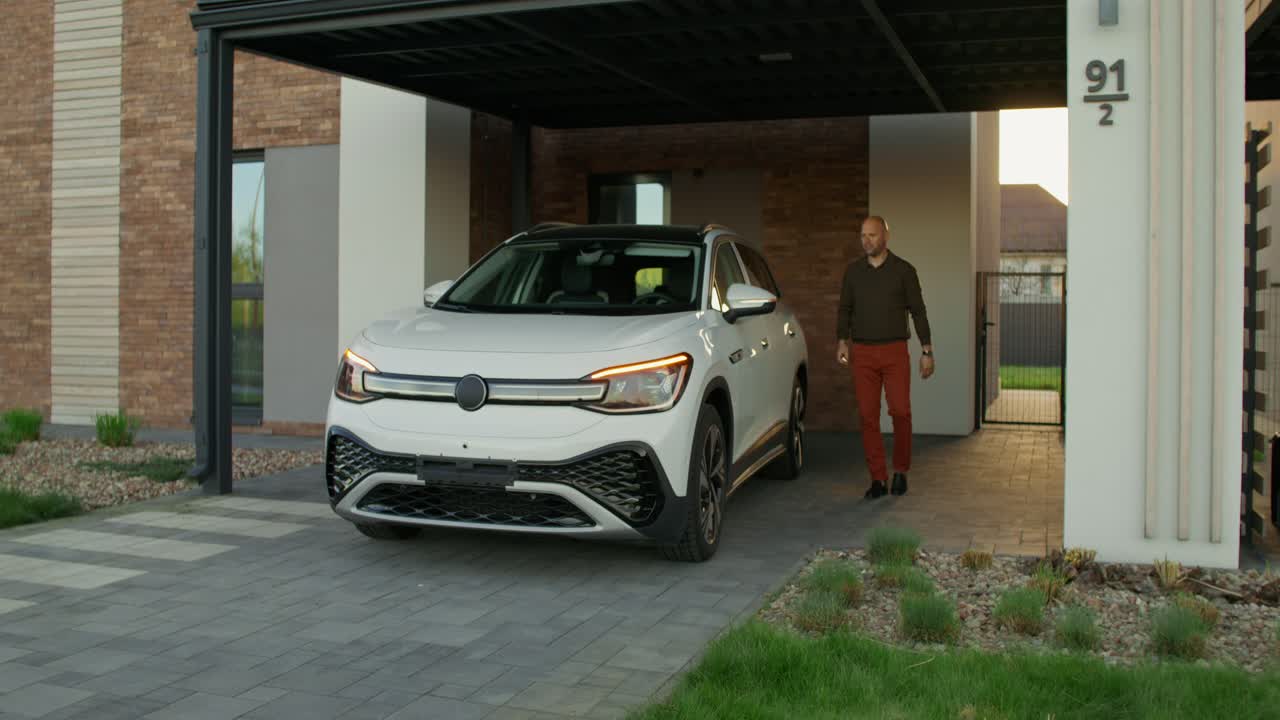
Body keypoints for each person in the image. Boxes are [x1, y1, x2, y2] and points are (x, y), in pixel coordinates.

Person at [836, 215, 934, 499]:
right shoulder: (853, 272)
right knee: (868, 416)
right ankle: (878, 478)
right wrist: (842, 341)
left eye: (872, 235)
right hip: (863, 353)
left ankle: (900, 471)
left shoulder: (904, 271)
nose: (866, 241)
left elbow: (919, 311)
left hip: (894, 352)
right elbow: (844, 309)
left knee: (901, 412)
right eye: (863, 235)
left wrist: (926, 350)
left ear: (886, 237)